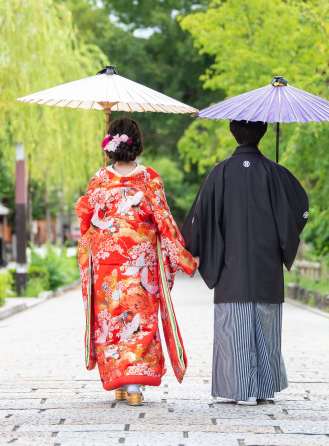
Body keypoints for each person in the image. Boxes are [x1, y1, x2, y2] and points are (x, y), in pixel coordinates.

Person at [181, 120, 308, 406]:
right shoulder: (276, 172)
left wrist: (197, 249)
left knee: (234, 324)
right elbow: (300, 209)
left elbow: (199, 217)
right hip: (266, 264)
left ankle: (241, 389)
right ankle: (262, 387)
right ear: (262, 133)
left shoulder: (221, 171)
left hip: (229, 264)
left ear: (233, 132)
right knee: (265, 323)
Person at [76, 117, 197, 406]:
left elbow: (87, 222)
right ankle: (132, 388)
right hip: (141, 264)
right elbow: (164, 221)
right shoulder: (150, 178)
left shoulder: (99, 179)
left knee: (111, 322)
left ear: (109, 146)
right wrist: (181, 257)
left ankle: (120, 380)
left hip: (107, 266)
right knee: (140, 320)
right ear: (138, 146)